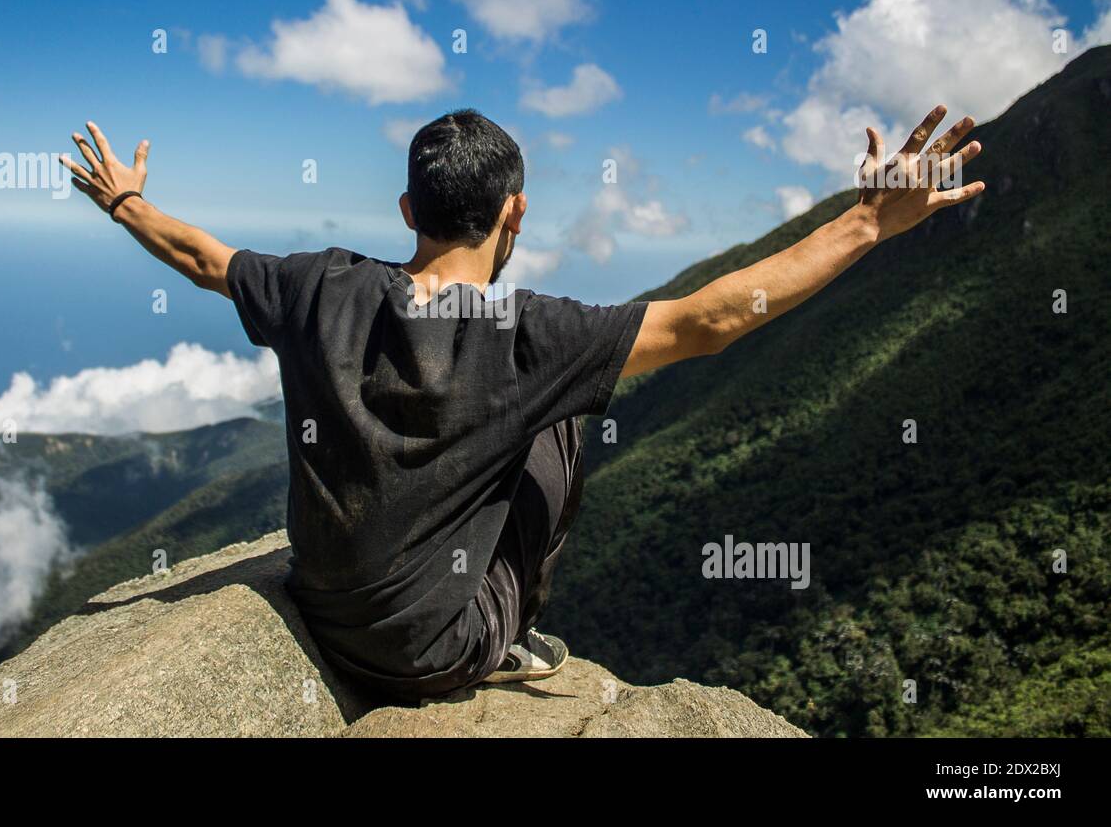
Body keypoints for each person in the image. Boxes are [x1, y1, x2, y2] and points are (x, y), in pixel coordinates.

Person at [59, 107, 984, 700]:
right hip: (435, 654)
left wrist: (125, 202)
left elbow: (202, 257)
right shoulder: (535, 334)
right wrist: (869, 221)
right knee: (567, 418)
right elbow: (711, 320)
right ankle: (509, 632)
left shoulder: (317, 285)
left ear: (407, 210)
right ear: (515, 216)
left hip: (319, 608)